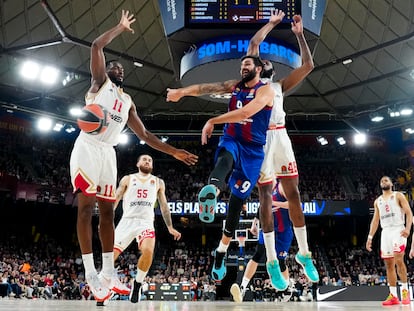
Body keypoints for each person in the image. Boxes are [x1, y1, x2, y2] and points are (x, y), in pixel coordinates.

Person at [69, 10, 198, 303]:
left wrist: (173, 151)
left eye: (121, 69)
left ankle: (109, 271)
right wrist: (119, 26)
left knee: (106, 213)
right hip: (88, 146)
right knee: (85, 208)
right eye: (115, 66)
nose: (119, 69)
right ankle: (90, 271)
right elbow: (96, 47)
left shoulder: (127, 101)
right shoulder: (100, 84)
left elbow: (146, 137)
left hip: (108, 153)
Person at [167, 54, 275, 286]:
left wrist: (213, 120)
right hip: (232, 139)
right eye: (241, 64)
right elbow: (205, 87)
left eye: (247, 64)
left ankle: (221, 251)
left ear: (258, 69)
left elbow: (246, 113)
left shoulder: (266, 91)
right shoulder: (233, 86)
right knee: (225, 158)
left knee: (236, 203)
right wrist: (181, 92)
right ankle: (213, 191)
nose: (242, 67)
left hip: (253, 150)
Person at [246, 9, 319, 288]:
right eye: (258, 62)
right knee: (265, 196)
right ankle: (272, 260)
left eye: (264, 62)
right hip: (260, 139)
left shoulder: (278, 86)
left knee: (294, 194)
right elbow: (253, 45)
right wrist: (272, 23)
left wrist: (299, 36)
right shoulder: (251, 84)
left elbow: (309, 65)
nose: (260, 62)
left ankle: (304, 253)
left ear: (270, 70)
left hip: (281, 136)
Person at [112, 154, 181, 303]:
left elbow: (164, 206)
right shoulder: (128, 179)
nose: (147, 161)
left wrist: (170, 227)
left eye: (150, 160)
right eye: (144, 159)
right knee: (110, 257)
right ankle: (104, 288)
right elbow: (116, 198)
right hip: (127, 221)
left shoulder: (158, 182)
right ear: (138, 163)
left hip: (146, 222)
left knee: (149, 251)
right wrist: (106, 219)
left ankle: (137, 284)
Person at [230, 179, 293, 303]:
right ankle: (243, 287)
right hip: (268, 229)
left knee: (280, 261)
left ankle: (286, 288)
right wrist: (255, 223)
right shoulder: (266, 190)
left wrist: (274, 203)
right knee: (257, 255)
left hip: (283, 231)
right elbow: (262, 206)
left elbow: (293, 204)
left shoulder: (282, 187)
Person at [366, 176, 412, 306]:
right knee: (389, 265)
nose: (384, 182)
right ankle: (393, 295)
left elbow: (409, 213)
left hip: (398, 230)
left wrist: (408, 229)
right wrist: (370, 237)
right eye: (381, 181)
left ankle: (405, 291)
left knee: (399, 260)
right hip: (385, 232)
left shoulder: (398, 196)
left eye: (386, 180)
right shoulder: (377, 201)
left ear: (391, 183)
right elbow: (375, 221)